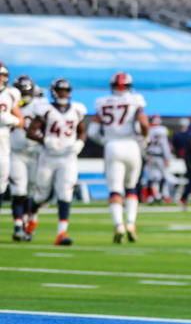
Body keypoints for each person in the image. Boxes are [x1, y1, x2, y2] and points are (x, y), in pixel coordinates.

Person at [28, 78, 88, 246]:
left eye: (66, 90)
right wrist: (45, 140)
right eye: (60, 90)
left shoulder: (77, 110)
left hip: (68, 157)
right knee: (41, 195)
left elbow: (82, 131)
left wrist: (80, 143)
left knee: (65, 193)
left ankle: (61, 233)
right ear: (54, 91)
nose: (63, 93)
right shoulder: (45, 110)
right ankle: (31, 219)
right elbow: (31, 131)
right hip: (48, 156)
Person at [94, 72, 149, 242]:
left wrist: (105, 141)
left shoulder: (102, 102)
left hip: (112, 145)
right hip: (131, 145)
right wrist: (144, 138)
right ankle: (131, 223)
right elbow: (144, 122)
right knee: (131, 188)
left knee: (115, 190)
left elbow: (92, 132)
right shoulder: (135, 99)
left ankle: (119, 225)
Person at [8, 74, 36, 241]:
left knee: (31, 191)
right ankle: (18, 225)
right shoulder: (7, 103)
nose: (25, 95)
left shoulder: (39, 106)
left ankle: (27, 223)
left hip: (35, 153)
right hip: (15, 152)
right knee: (19, 190)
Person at [0, 63, 23, 227]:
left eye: (2, 75)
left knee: (1, 182)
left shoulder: (11, 93)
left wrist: (10, 120)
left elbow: (20, 121)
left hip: (3, 139)